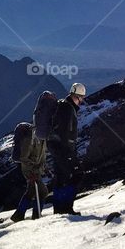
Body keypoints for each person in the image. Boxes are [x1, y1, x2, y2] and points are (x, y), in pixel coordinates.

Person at [48, 82, 87, 215]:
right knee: (77, 175)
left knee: (60, 178)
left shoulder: (62, 105)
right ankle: (66, 208)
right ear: (77, 96)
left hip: (55, 148)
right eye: (81, 98)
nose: (81, 101)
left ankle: (58, 210)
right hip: (64, 149)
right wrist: (70, 153)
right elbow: (65, 133)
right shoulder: (68, 109)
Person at [11, 125, 48, 222]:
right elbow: (24, 157)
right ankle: (36, 214)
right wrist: (32, 170)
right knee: (43, 192)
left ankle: (19, 215)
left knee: (31, 191)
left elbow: (41, 156)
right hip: (31, 171)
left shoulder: (42, 137)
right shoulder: (31, 137)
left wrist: (44, 168)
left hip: (35, 170)